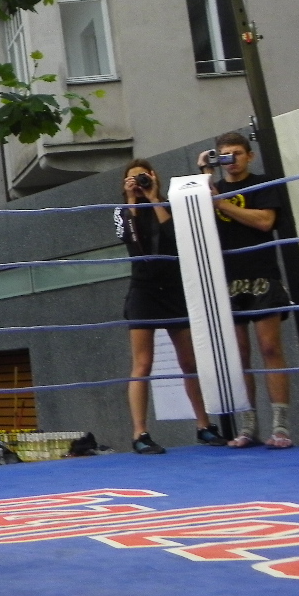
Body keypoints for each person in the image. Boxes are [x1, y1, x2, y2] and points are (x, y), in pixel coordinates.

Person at [115, 159, 226, 454]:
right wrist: (132, 200)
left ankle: (203, 425)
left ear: (154, 177)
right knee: (142, 364)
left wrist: (154, 198)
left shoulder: (169, 203)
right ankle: (140, 433)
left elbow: (176, 238)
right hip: (143, 290)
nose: (138, 183)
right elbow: (130, 239)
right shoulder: (122, 211)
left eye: (142, 177)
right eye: (132, 179)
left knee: (189, 362)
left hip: (173, 289)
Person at [201, 133, 294, 449]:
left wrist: (222, 204)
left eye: (237, 153)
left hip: (261, 273)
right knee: (239, 354)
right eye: (224, 155)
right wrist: (205, 174)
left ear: (249, 155)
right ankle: (248, 426)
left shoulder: (262, 183)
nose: (231, 160)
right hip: (227, 277)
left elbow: (265, 221)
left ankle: (280, 427)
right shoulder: (211, 188)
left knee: (270, 348)